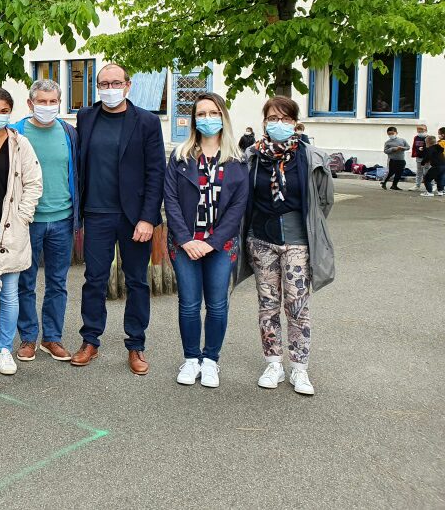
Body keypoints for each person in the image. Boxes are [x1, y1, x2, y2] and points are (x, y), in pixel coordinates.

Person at [71, 63, 165, 373]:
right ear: (97, 87)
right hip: (96, 213)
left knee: (137, 281)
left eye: (115, 83)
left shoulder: (147, 121)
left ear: (127, 85)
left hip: (134, 218)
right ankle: (90, 341)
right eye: (103, 83)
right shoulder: (86, 118)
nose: (109, 88)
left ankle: (136, 345)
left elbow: (156, 172)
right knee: (94, 280)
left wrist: (148, 218)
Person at [240, 96, 334, 396]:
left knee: (298, 307)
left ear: (295, 122)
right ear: (264, 121)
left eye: (285, 119)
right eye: (272, 118)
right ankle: (273, 363)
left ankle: (299, 368)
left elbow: (323, 201)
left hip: (297, 243)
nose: (278, 124)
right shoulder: (252, 156)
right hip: (261, 240)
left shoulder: (311, 157)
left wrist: (306, 230)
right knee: (267, 306)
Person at [163, 93, 248, 388]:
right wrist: (187, 240)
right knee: (188, 304)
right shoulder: (180, 156)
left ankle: (211, 360)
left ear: (223, 116)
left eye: (213, 113)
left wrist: (211, 242)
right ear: (194, 120)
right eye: (201, 113)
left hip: (220, 246)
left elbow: (238, 208)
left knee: (217, 305)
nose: (207, 118)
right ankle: (190, 359)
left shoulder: (237, 160)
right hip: (185, 244)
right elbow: (170, 201)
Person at [10, 79, 80, 364]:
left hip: (62, 219)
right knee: (25, 282)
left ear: (59, 103)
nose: (47, 107)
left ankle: (52, 337)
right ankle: (28, 338)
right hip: (28, 221)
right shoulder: (16, 132)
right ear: (30, 103)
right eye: (42, 101)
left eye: (53, 102)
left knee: (57, 282)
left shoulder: (69, 133)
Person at [0, 89, 43, 376]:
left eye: (4, 110)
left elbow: (34, 183)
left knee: (10, 293)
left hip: (11, 230)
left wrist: (23, 216)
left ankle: (5, 348)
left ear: (10, 112)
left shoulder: (20, 143)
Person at [381, 126, 408, 191]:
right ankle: (384, 183)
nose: (391, 135)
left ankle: (394, 185)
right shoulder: (388, 142)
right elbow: (385, 151)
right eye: (389, 134)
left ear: (396, 133)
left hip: (401, 159)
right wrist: (393, 149)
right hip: (392, 160)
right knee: (391, 172)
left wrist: (402, 148)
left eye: (392, 133)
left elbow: (408, 147)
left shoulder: (402, 140)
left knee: (399, 173)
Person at [411, 124, 429, 191]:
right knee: (419, 171)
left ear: (426, 130)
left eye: (422, 130)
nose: (420, 132)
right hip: (419, 157)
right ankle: (417, 185)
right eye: (418, 131)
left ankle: (431, 185)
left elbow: (432, 147)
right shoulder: (416, 137)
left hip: (427, 158)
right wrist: (414, 154)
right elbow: (414, 147)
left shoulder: (428, 137)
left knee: (427, 171)